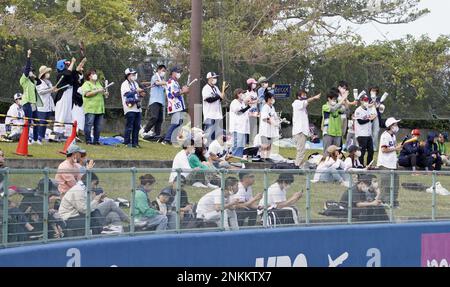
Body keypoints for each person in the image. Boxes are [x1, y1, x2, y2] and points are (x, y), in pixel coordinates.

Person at [58, 173, 130, 236]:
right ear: (89, 181)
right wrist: (96, 200)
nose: (95, 187)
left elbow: (88, 207)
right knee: (110, 203)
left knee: (113, 215)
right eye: (94, 184)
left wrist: (98, 200)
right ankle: (130, 221)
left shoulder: (84, 189)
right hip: (71, 218)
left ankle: (119, 237)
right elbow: (84, 210)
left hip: (82, 215)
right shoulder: (78, 190)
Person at [54, 57, 85, 137]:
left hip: (69, 96)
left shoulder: (69, 73)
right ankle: (57, 133)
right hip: (62, 97)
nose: (68, 65)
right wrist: (72, 62)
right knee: (61, 115)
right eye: (66, 64)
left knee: (68, 116)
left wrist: (82, 62)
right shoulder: (60, 74)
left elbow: (77, 70)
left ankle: (68, 134)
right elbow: (68, 73)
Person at [292, 89, 321, 168]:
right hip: (299, 132)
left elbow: (305, 122)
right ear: (298, 96)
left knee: (301, 151)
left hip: (303, 132)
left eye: (305, 95)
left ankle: (298, 166)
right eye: (303, 95)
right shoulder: (296, 103)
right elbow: (306, 101)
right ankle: (296, 167)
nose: (305, 96)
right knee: (301, 151)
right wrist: (314, 98)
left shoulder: (303, 108)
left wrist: (310, 134)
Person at [19, 49, 43, 144]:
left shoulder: (32, 81)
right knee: (28, 122)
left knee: (36, 121)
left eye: (32, 71)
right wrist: (28, 56)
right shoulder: (23, 79)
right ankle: (27, 139)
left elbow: (40, 82)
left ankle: (36, 139)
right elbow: (27, 68)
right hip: (26, 102)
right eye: (30, 71)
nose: (31, 71)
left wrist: (34, 76)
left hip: (33, 103)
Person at [377, 117, 402, 207]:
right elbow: (384, 149)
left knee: (395, 185)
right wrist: (395, 148)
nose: (396, 126)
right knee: (385, 185)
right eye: (395, 124)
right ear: (390, 126)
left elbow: (393, 147)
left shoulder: (393, 136)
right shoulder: (385, 135)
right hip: (385, 164)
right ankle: (383, 202)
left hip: (393, 163)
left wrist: (398, 147)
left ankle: (393, 201)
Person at [161, 66, 189, 145]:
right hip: (174, 106)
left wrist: (183, 90)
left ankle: (172, 139)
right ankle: (166, 139)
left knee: (179, 123)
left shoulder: (176, 82)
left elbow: (178, 92)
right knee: (175, 123)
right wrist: (183, 91)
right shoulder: (170, 82)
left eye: (179, 72)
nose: (179, 74)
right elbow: (174, 94)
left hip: (179, 106)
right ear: (173, 73)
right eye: (177, 72)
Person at [82, 69, 108, 145]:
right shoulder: (86, 84)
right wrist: (97, 91)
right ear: (89, 76)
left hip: (99, 108)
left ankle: (96, 141)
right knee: (89, 125)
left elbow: (102, 93)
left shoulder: (98, 83)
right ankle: (88, 141)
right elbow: (87, 94)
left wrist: (105, 93)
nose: (95, 75)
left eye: (95, 73)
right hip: (90, 108)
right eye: (92, 74)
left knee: (98, 126)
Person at [121, 68, 145, 148]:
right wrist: (136, 91)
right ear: (128, 75)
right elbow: (127, 94)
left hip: (137, 108)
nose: (134, 76)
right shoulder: (124, 84)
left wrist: (141, 94)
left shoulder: (135, 83)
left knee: (137, 126)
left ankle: (135, 143)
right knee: (129, 126)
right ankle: (126, 143)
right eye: (132, 74)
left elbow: (137, 94)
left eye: (135, 74)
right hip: (129, 108)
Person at [141, 65, 167, 138]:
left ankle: (157, 134)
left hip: (160, 101)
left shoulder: (162, 79)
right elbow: (157, 83)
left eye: (164, 71)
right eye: (163, 70)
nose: (164, 72)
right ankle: (145, 131)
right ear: (158, 70)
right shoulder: (155, 76)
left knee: (160, 119)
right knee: (154, 117)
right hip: (154, 101)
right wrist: (167, 82)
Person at [321, 91, 348, 156]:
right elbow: (333, 109)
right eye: (333, 99)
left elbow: (345, 109)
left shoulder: (338, 107)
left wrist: (345, 99)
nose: (335, 101)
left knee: (336, 153)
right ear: (328, 99)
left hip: (338, 133)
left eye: (336, 99)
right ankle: (325, 165)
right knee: (327, 152)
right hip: (328, 132)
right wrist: (342, 99)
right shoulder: (325, 106)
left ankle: (335, 165)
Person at [36, 65, 57, 144]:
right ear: (44, 73)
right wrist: (50, 90)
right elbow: (41, 91)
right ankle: (39, 137)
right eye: (47, 72)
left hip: (48, 106)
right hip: (42, 105)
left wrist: (53, 90)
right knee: (41, 122)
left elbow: (50, 90)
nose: (49, 73)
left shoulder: (48, 82)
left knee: (45, 122)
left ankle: (43, 136)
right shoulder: (39, 81)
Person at [354, 95, 376, 167]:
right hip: (361, 134)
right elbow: (360, 121)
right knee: (362, 152)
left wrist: (372, 118)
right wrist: (369, 119)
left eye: (367, 100)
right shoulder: (358, 110)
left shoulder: (369, 110)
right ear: (361, 101)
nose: (366, 102)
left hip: (368, 134)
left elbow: (370, 121)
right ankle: (361, 166)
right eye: (365, 100)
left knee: (371, 151)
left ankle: (368, 165)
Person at [202, 72, 223, 145]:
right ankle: (207, 149)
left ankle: (213, 150)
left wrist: (222, 94)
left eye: (215, 77)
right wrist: (218, 96)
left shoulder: (216, 88)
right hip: (209, 115)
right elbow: (209, 100)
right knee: (209, 134)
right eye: (213, 77)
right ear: (209, 78)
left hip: (217, 114)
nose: (215, 79)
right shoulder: (206, 88)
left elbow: (220, 99)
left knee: (216, 135)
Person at [229, 88, 251, 157]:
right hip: (236, 128)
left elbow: (245, 114)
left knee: (241, 145)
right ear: (238, 94)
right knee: (237, 145)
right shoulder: (234, 102)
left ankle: (239, 159)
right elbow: (239, 112)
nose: (244, 95)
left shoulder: (242, 103)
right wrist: (248, 107)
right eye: (242, 93)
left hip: (242, 128)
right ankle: (234, 160)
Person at [259, 93, 279, 161]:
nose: (273, 100)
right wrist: (273, 123)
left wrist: (277, 121)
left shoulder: (272, 107)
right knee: (265, 144)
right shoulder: (265, 107)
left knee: (270, 144)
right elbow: (265, 118)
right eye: (272, 98)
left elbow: (274, 116)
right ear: (268, 99)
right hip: (265, 129)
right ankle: (262, 157)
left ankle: (267, 157)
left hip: (271, 130)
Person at [368, 86, 382, 151]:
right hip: (369, 117)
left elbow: (379, 107)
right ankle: (368, 146)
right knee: (369, 132)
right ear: (370, 91)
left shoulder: (379, 99)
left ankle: (374, 147)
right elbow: (366, 106)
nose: (373, 92)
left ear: (377, 92)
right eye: (372, 90)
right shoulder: (367, 98)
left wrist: (377, 105)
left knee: (376, 132)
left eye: (375, 91)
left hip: (376, 117)